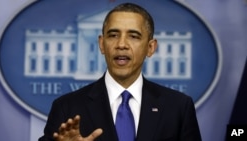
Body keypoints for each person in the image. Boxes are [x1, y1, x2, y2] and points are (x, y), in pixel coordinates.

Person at [39, 2, 202, 141]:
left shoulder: (178, 107)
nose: (121, 44)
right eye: (113, 35)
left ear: (150, 47)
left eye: (133, 36)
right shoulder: (66, 107)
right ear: (102, 45)